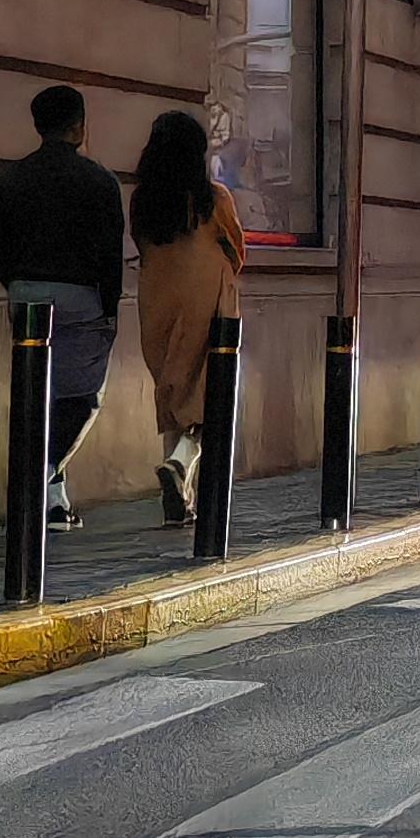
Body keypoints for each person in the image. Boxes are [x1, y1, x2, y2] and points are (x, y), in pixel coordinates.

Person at [0, 84, 126, 531]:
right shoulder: (99, 181)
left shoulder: (10, 179)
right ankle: (40, 474)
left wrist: (16, 285)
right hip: (82, 298)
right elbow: (110, 253)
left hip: (25, 294)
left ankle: (53, 500)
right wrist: (110, 307)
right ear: (79, 127)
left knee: (37, 393)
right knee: (82, 397)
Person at [131, 110, 247, 527]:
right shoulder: (213, 199)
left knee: (172, 391)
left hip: (156, 301)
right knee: (207, 394)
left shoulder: (143, 202)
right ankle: (180, 463)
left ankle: (179, 499)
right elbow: (237, 249)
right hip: (205, 302)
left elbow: (141, 245)